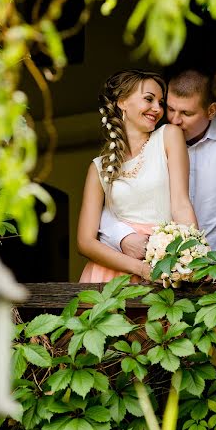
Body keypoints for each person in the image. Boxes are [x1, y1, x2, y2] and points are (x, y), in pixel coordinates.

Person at [98, 69, 216, 288]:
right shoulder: (155, 136)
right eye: (170, 109)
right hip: (164, 276)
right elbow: (118, 197)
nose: (175, 120)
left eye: (186, 114)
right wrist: (121, 237)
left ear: (211, 111)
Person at [77, 69, 198, 283]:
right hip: (110, 273)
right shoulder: (98, 168)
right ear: (122, 102)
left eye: (160, 102)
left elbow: (181, 204)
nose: (157, 109)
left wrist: (194, 256)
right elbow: (85, 242)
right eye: (149, 99)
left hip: (163, 265)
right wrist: (140, 268)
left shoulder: (169, 136)